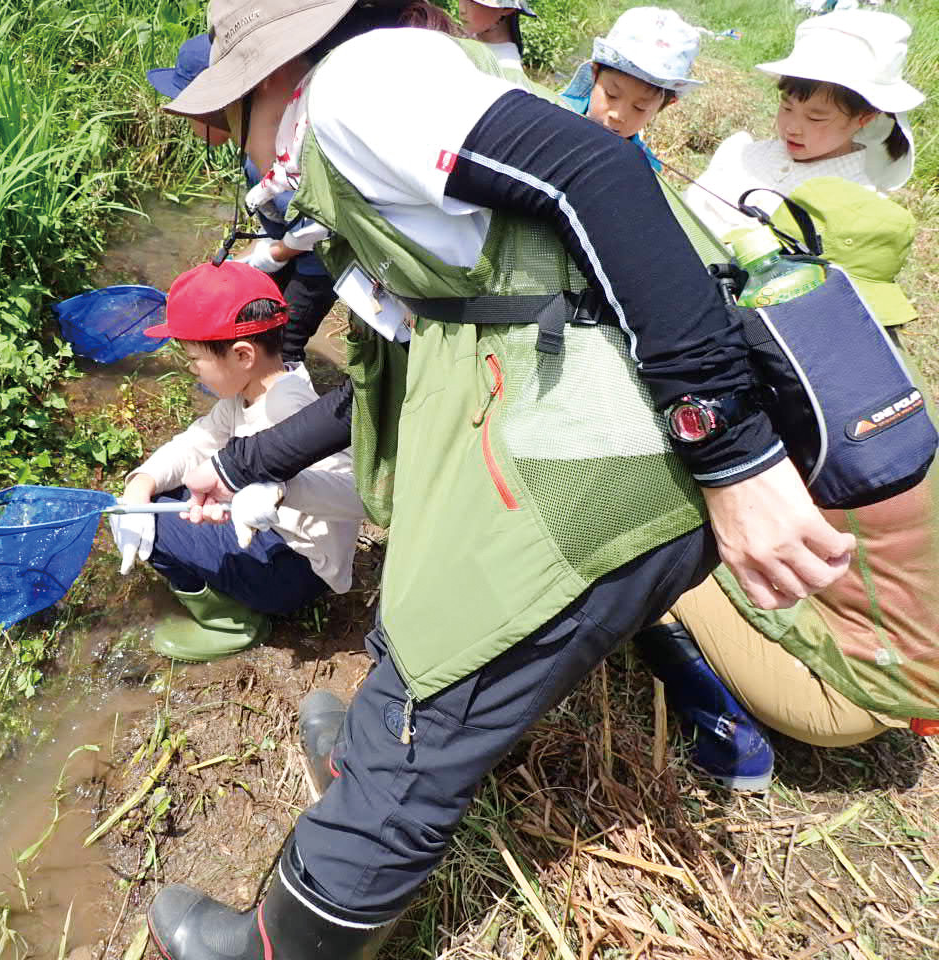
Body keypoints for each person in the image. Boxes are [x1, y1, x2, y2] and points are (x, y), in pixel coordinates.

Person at [148, 2, 854, 957]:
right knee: (420, 615)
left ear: (275, 74)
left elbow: (593, 170)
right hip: (534, 429)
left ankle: (277, 940)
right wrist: (242, 462)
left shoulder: (359, 87)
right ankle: (357, 758)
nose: (217, 141)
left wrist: (729, 447)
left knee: (423, 734)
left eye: (214, 119)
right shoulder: (408, 89)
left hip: (590, 471)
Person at [633, 177, 937, 791]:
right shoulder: (905, 392)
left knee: (645, 537)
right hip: (917, 682)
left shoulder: (796, 391)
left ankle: (721, 720)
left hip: (838, 697)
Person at [107, 261, 362, 662]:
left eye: (194, 359)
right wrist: (142, 481)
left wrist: (280, 490)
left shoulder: (287, 406)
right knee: (157, 492)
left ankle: (230, 621)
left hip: (296, 567)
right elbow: (196, 442)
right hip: (276, 544)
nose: (191, 369)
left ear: (242, 355)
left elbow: (357, 494)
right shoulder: (245, 396)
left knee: (153, 522)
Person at [148, 34, 339, 365]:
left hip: (320, 264)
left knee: (283, 346)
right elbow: (279, 218)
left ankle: (288, 403)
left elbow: (325, 223)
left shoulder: (277, 150)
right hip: (294, 246)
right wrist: (251, 255)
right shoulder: (253, 139)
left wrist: (276, 252)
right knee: (253, 324)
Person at [684, 9, 925, 237]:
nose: (792, 127)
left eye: (815, 117)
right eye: (787, 107)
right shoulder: (745, 154)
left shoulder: (857, 203)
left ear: (865, 117)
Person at [559, 7, 703, 172]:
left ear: (667, 104)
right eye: (611, 94)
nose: (618, 116)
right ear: (595, 73)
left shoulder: (645, 171)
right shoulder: (553, 111)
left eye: (639, 107)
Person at [456, 0, 536, 70]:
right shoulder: (464, 41)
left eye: (472, 1)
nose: (462, 9)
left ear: (507, 8)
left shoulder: (506, 67)